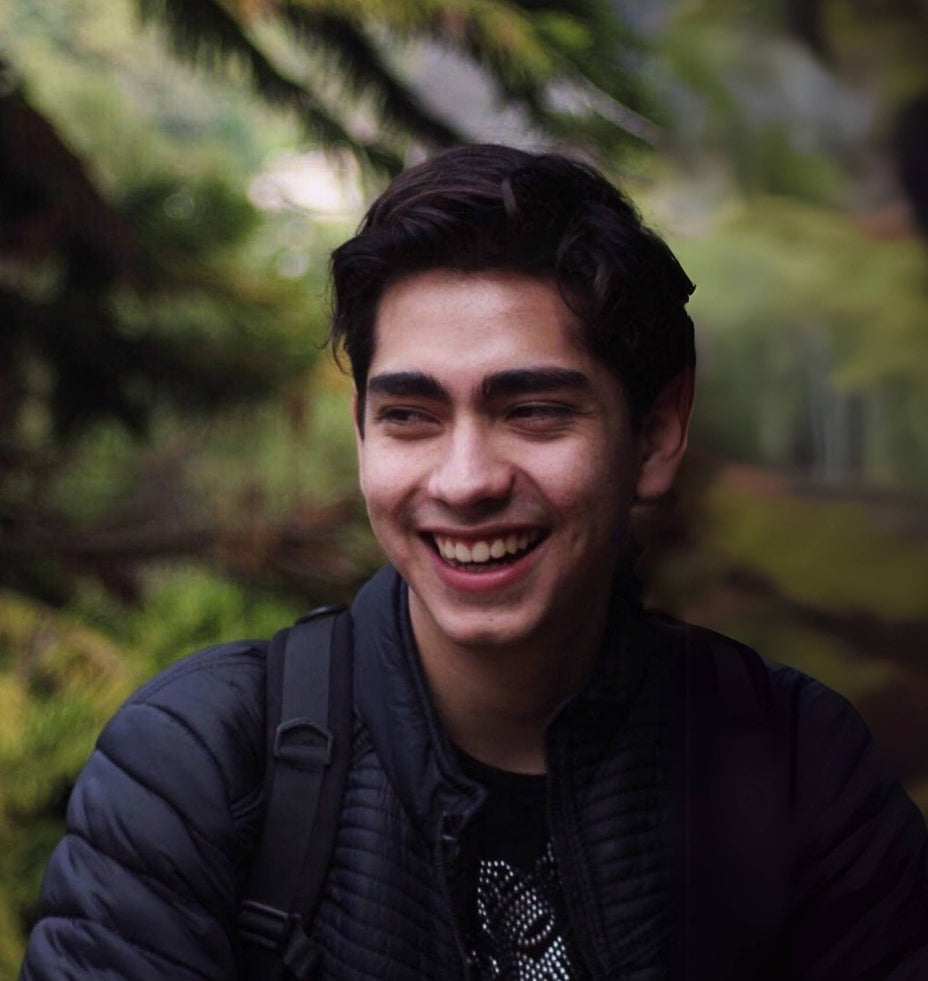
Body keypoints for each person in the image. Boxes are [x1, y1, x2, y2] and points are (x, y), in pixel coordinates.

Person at [20, 145, 928, 980]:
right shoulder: (199, 767)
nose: (464, 481)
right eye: (410, 417)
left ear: (655, 433)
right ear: (362, 436)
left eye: (533, 411)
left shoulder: (799, 768)